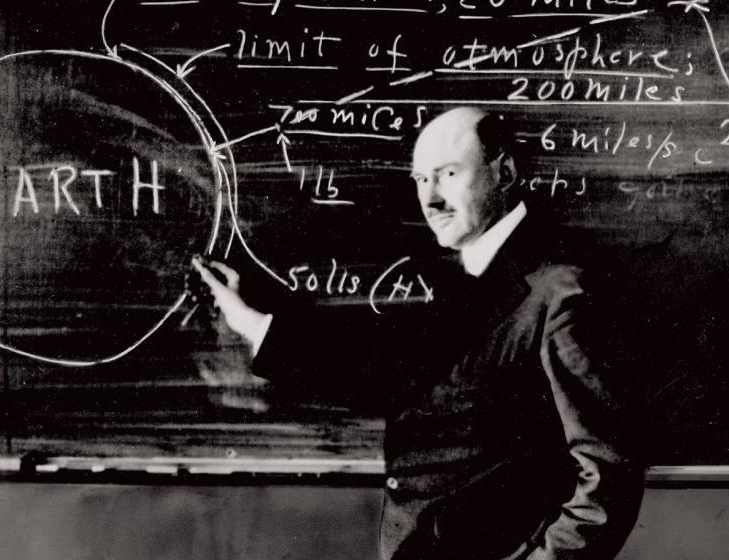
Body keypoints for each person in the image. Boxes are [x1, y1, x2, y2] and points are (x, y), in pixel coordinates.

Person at [193, 106, 644, 560]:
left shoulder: (559, 290)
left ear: (504, 172)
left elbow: (608, 474)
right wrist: (249, 321)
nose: (430, 200)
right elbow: (398, 380)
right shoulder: (464, 273)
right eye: (420, 180)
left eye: (448, 174)